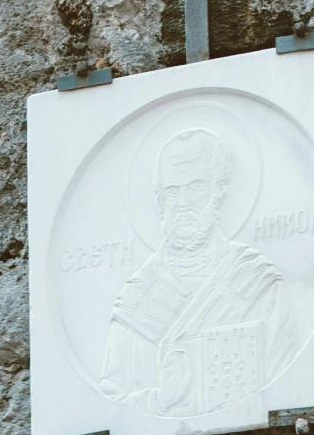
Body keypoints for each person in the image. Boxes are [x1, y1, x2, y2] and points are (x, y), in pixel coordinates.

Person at [100, 127, 298, 418]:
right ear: (159, 200)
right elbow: (109, 404)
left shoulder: (256, 281)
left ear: (218, 191)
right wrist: (160, 399)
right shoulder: (137, 298)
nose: (182, 204)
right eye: (172, 192)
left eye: (194, 189)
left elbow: (289, 384)